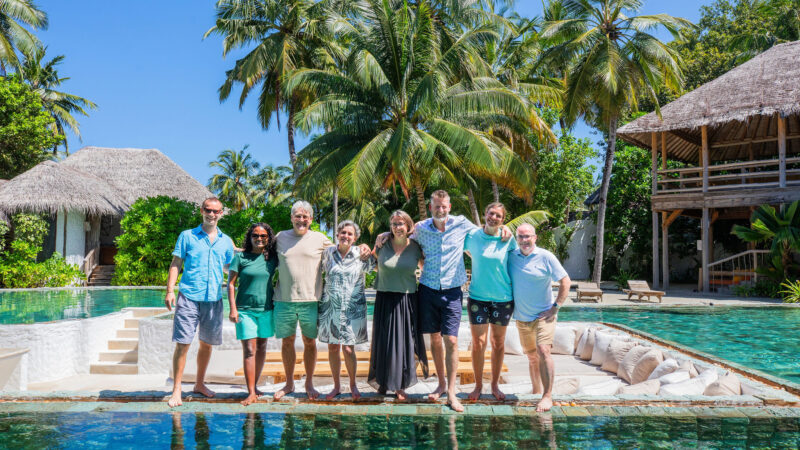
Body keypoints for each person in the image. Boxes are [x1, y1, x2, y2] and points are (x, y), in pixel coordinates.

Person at [377, 190, 510, 412]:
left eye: (444, 206)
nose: (440, 210)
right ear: (431, 208)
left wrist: (504, 229)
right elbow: (400, 231)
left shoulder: (462, 224)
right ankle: (440, 384)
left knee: (452, 340)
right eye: (436, 206)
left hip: (452, 291)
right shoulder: (420, 228)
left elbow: (486, 231)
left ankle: (451, 392)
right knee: (435, 340)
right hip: (428, 290)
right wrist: (383, 233)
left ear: (449, 207)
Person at [272, 201, 370, 400]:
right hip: (284, 300)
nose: (301, 219)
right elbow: (259, 249)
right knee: (287, 342)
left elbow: (353, 250)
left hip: (312, 300)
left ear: (311, 219)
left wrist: (367, 245)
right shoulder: (280, 237)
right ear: (292, 218)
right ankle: (289, 384)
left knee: (310, 342)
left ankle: (309, 384)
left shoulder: (320, 240)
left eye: (305, 216)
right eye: (297, 216)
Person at [165, 197, 235, 407]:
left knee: (206, 344)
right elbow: (176, 263)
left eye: (216, 211)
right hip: (189, 297)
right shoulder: (187, 236)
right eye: (208, 210)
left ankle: (199, 384)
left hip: (213, 299)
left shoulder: (226, 241)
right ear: (201, 211)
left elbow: (229, 268)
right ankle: (177, 389)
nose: (211, 214)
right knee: (183, 344)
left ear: (222, 213)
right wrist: (170, 290)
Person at [508, 223, 570, 412]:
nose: (524, 240)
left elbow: (565, 281)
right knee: (532, 357)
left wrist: (555, 307)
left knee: (544, 351)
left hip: (544, 315)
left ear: (535, 238)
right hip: (522, 318)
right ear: (516, 239)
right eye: (521, 237)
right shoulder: (511, 256)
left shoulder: (546, 256)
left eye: (528, 236)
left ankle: (547, 396)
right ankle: (536, 391)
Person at [368, 210, 428, 401]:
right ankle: (384, 382)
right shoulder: (382, 244)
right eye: (393, 224)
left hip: (406, 299)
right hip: (384, 297)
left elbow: (426, 267)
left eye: (401, 223)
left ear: (408, 225)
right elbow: (371, 262)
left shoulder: (416, 247)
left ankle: (400, 385)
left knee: (404, 343)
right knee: (383, 342)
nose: (397, 227)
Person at [463, 202, 517, 401]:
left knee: (498, 343)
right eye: (491, 213)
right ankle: (478, 385)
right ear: (485, 213)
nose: (494, 217)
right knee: (478, 343)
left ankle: (494, 384)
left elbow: (519, 262)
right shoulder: (472, 236)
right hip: (478, 297)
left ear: (503, 220)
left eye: (498, 216)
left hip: (503, 299)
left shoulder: (509, 239)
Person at [318, 220, 374, 400]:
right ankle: (336, 386)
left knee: (349, 349)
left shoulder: (361, 254)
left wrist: (369, 247)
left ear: (355, 238)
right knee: (333, 348)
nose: (345, 236)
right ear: (337, 235)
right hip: (330, 308)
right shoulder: (327, 253)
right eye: (343, 233)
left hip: (353, 309)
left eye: (350, 234)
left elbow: (379, 265)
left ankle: (353, 385)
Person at [227, 223, 278, 406]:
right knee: (250, 349)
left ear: (268, 238)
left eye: (263, 236)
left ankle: (255, 386)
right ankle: (250, 392)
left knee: (262, 347)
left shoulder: (272, 258)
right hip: (244, 310)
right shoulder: (240, 258)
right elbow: (231, 284)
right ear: (250, 237)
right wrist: (232, 308)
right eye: (255, 235)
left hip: (266, 309)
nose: (259, 238)